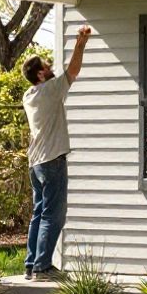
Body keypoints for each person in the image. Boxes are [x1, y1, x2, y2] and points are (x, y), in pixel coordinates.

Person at [20, 24, 92, 280]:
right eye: (47, 66)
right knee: (54, 215)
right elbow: (73, 71)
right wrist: (81, 43)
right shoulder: (48, 91)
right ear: (40, 74)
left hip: (36, 163)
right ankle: (43, 268)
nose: (51, 67)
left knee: (39, 214)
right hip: (51, 161)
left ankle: (31, 265)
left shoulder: (29, 95)